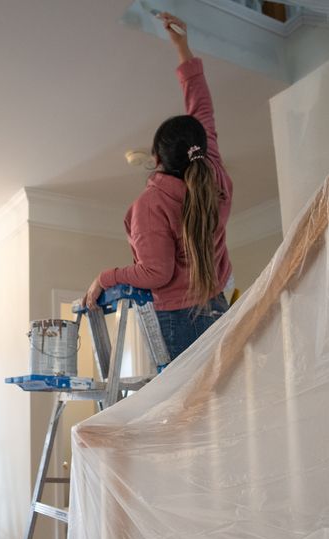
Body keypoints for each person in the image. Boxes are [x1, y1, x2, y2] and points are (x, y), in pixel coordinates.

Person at [82, 12, 233, 362]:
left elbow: (156, 272)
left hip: (182, 317)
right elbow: (203, 108)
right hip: (217, 307)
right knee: (220, 404)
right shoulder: (213, 171)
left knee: (191, 411)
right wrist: (183, 48)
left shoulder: (152, 204)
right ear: (201, 146)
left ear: (155, 156)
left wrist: (105, 277)